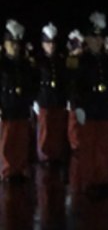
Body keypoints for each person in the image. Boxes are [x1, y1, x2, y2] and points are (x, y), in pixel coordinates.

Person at [68, 12, 108, 191]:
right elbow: (74, 85)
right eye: (93, 38)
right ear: (87, 40)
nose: (97, 41)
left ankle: (103, 180)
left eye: (100, 38)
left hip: (104, 107)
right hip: (88, 108)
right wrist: (77, 106)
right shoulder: (80, 60)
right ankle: (89, 181)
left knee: (104, 146)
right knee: (88, 147)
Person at [1, 20, 36, 180]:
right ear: (5, 44)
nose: (14, 46)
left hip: (21, 106)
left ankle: (19, 169)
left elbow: (32, 84)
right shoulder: (2, 64)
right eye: (11, 43)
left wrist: (31, 101)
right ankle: (7, 171)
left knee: (21, 141)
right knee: (7, 142)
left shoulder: (25, 64)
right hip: (6, 107)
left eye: (16, 43)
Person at [33, 23, 69, 164]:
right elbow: (34, 81)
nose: (51, 46)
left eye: (53, 43)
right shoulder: (38, 60)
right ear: (43, 44)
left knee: (57, 129)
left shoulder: (60, 59)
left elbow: (64, 80)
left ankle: (56, 155)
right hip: (44, 99)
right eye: (48, 43)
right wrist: (35, 100)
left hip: (58, 99)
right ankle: (44, 156)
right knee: (45, 131)